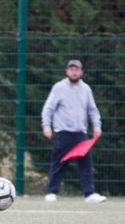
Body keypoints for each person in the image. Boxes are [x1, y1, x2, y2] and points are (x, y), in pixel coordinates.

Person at [41, 59, 106, 203]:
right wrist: (46, 126)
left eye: (76, 69)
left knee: (86, 163)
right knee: (59, 163)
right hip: (63, 132)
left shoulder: (86, 89)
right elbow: (48, 108)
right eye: (71, 69)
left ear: (81, 72)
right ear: (67, 71)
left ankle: (89, 194)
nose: (74, 72)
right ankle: (51, 192)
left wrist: (97, 126)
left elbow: (93, 110)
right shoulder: (59, 87)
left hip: (81, 133)